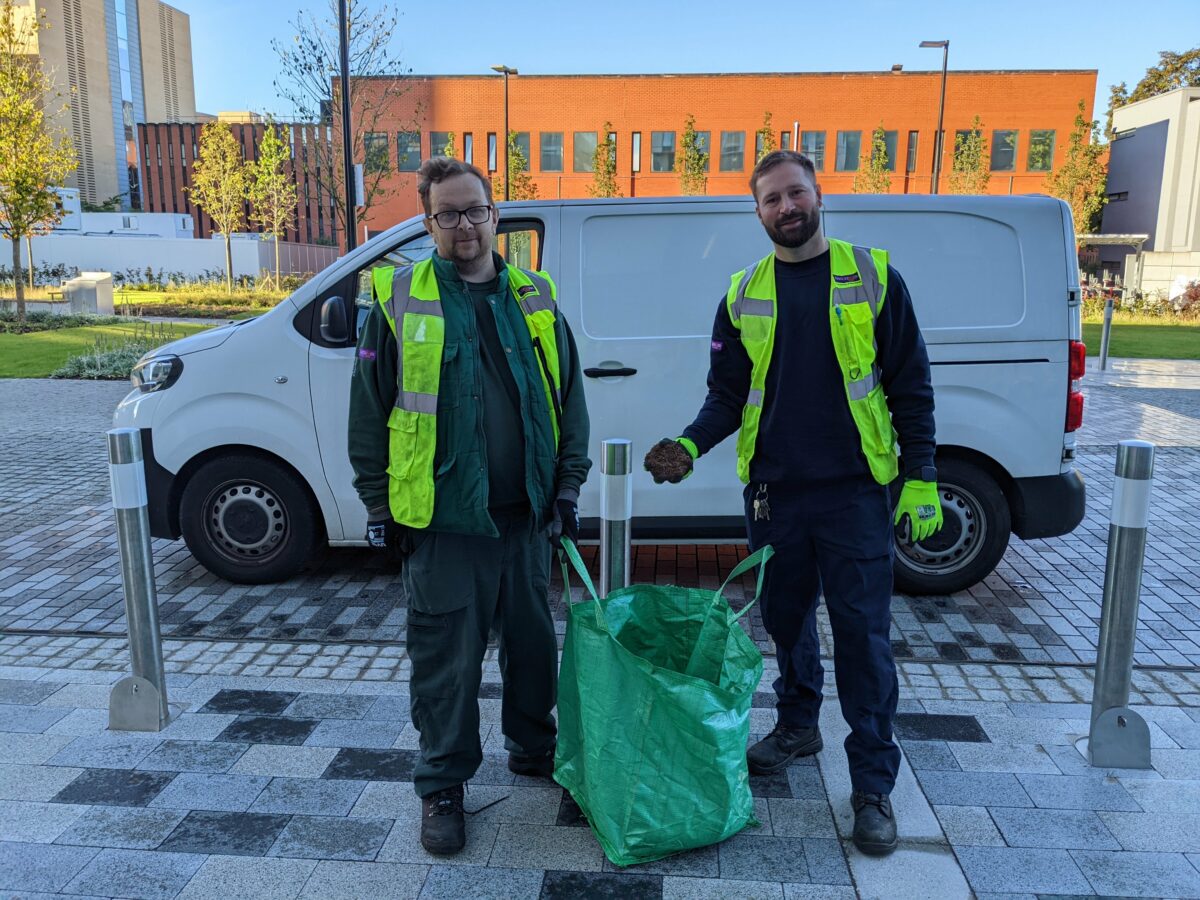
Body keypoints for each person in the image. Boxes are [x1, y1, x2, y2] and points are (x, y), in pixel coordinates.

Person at [643, 149, 942, 856]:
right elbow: (726, 395)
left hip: (855, 496)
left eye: (796, 193)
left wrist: (922, 473)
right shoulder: (742, 292)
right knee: (784, 620)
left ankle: (873, 784)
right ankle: (799, 724)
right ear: (757, 211)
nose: (786, 207)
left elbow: (910, 384)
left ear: (817, 196)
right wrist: (689, 445)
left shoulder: (871, 279)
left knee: (864, 640)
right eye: (772, 199)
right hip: (775, 496)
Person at [349, 156, 591, 856]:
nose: (465, 225)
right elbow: (369, 415)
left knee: (532, 649)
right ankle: (443, 785)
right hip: (443, 523)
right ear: (428, 223)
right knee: (445, 662)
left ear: (495, 216)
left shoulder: (534, 295)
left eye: (476, 211)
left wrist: (568, 486)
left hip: (526, 520)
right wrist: (377, 504)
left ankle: (531, 745)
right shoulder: (399, 302)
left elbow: (567, 397)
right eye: (448, 213)